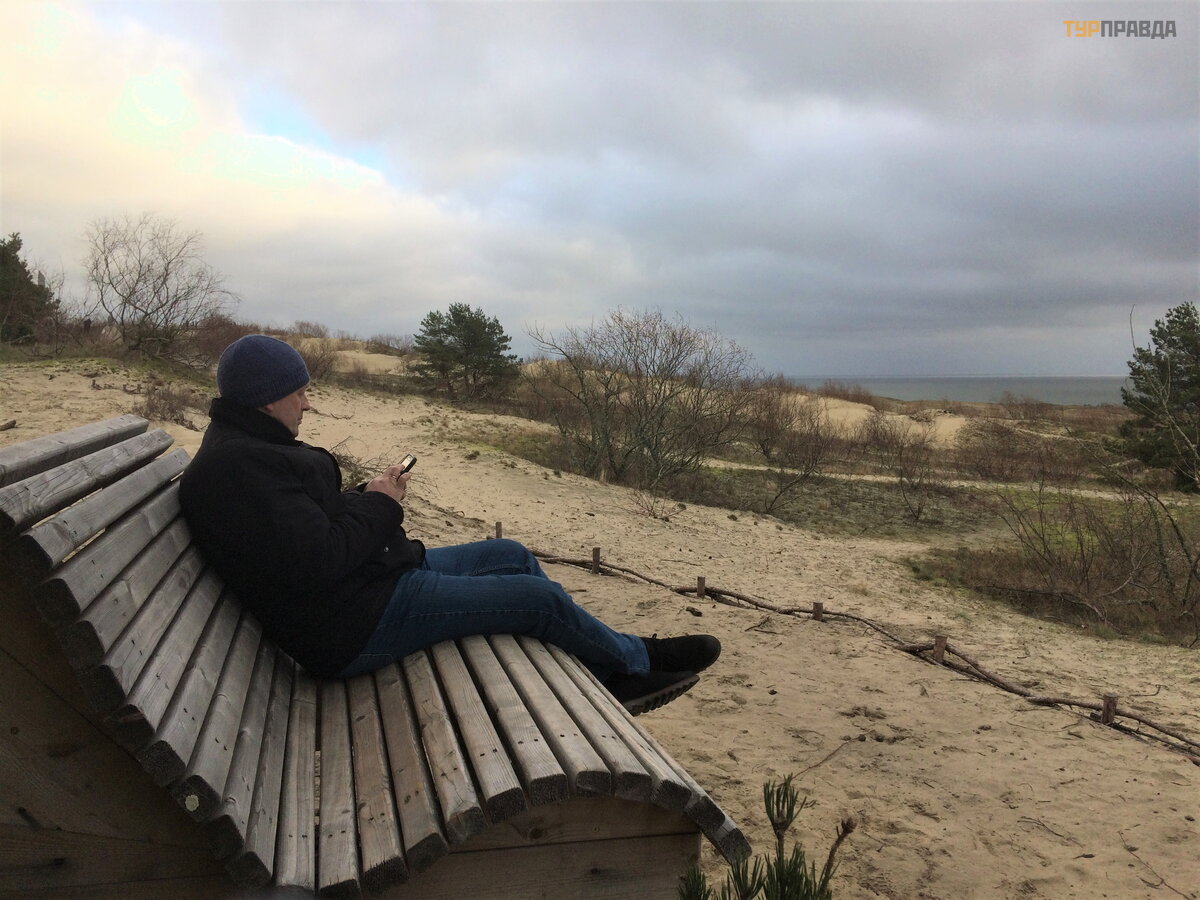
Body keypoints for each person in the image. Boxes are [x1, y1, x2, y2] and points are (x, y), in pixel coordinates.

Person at [179, 334, 720, 715]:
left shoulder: (250, 450)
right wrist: (382, 505)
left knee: (509, 554)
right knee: (538, 600)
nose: (307, 403)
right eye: (299, 392)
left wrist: (365, 496)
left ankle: (600, 673)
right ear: (268, 399)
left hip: (369, 585)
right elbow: (319, 560)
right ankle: (637, 662)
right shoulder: (238, 468)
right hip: (354, 626)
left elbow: (306, 530)